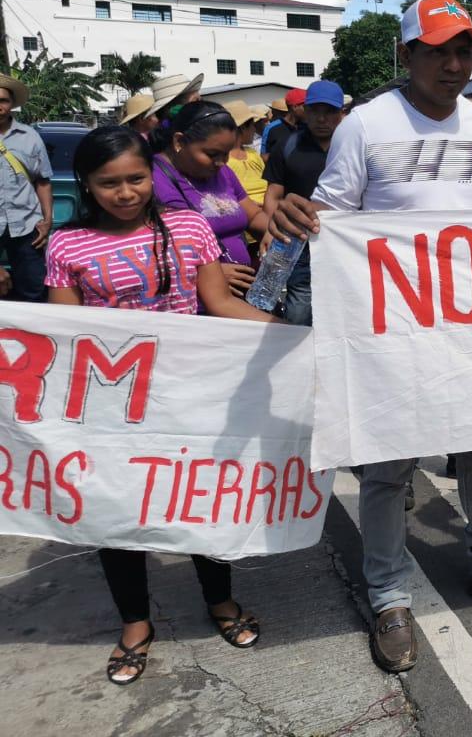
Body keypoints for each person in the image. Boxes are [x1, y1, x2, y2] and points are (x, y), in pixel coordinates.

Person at [268, 0, 472, 673]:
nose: (455, 65)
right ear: (406, 54)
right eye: (439, 52)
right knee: (387, 466)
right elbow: (331, 221)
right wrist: (287, 222)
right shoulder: (365, 125)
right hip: (390, 330)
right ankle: (390, 597)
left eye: (464, 52)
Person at [45, 126, 279, 685]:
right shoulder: (65, 246)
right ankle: (135, 623)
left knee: (199, 500)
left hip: (191, 393)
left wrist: (289, 335)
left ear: (151, 175)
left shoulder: (190, 226)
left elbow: (218, 301)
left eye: (136, 178)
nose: (125, 192)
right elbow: (63, 333)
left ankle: (220, 601)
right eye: (109, 183)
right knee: (115, 511)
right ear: (86, 184)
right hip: (111, 405)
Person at [151, 102, 269, 298]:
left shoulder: (222, 172)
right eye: (212, 154)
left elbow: (253, 214)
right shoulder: (154, 179)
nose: (222, 162)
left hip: (238, 295)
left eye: (226, 153)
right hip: (195, 301)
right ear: (179, 142)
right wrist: (210, 273)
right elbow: (155, 251)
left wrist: (270, 232)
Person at [263, 80, 344, 326]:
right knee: (299, 309)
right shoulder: (288, 146)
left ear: (341, 113)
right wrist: (270, 229)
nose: (322, 118)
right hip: (299, 244)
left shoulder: (352, 146)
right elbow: (273, 194)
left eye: (329, 111)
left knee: (343, 305)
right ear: (305, 111)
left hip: (343, 244)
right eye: (315, 111)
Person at [0, 72, 53, 301]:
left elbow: (42, 181)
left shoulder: (30, 137)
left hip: (26, 225)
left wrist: (47, 220)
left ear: (11, 104)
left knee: (34, 290)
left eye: (3, 100)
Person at [224, 100, 268, 206]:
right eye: (252, 125)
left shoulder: (253, 153)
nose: (254, 129)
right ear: (243, 128)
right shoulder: (224, 160)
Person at [262, 89, 306, 162]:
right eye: (305, 106)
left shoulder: (308, 127)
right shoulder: (271, 128)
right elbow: (264, 156)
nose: (309, 109)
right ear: (295, 107)